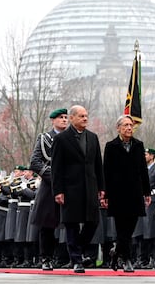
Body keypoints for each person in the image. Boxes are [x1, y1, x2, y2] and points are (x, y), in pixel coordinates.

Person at [51, 105, 105, 273]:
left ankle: (77, 249)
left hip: (90, 187)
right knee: (72, 224)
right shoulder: (61, 139)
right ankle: (76, 260)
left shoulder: (92, 137)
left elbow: (98, 164)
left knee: (93, 222)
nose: (85, 119)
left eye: (86, 116)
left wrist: (102, 187)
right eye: (81, 116)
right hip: (70, 188)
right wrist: (58, 190)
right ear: (72, 118)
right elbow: (56, 168)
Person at [103, 115, 151, 273]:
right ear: (118, 128)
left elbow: (143, 170)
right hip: (117, 193)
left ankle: (116, 252)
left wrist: (147, 192)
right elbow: (106, 172)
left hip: (135, 192)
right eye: (125, 125)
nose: (129, 128)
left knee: (129, 228)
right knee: (121, 227)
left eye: (131, 125)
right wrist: (105, 194)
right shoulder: (111, 146)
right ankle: (127, 259)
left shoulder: (138, 145)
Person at [29, 108, 68, 271]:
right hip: (50, 185)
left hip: (71, 185)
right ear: (53, 121)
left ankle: (72, 258)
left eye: (66, 117)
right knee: (47, 224)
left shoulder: (73, 138)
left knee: (72, 224)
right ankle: (46, 257)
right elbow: (35, 162)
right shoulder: (45, 138)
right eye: (61, 118)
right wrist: (55, 177)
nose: (64, 120)